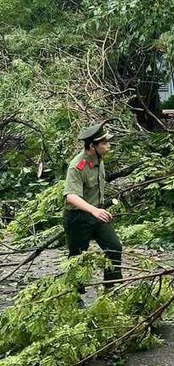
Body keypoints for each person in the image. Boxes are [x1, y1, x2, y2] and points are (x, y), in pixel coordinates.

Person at [63, 123, 123, 287]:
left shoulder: (99, 159)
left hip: (97, 214)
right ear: (92, 146)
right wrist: (94, 210)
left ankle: (111, 288)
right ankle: (75, 295)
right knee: (78, 258)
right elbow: (71, 196)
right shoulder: (77, 166)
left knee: (114, 247)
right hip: (78, 217)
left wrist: (98, 210)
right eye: (104, 143)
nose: (108, 146)